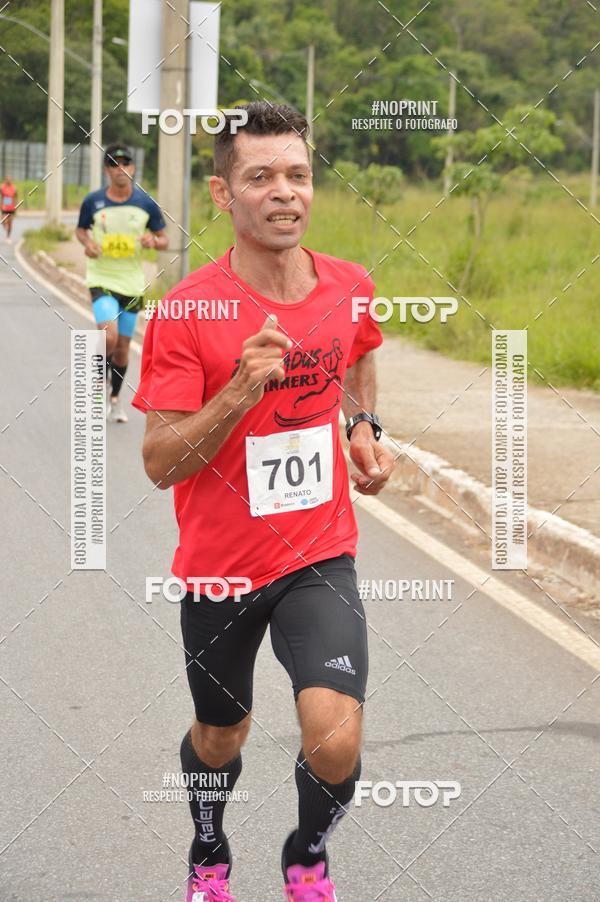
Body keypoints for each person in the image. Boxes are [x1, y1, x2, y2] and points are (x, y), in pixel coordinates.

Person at [133, 101, 395, 901]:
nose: (285, 193)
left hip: (319, 553)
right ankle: (209, 849)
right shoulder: (188, 310)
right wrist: (240, 390)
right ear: (223, 194)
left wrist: (361, 425)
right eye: (261, 177)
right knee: (222, 735)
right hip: (219, 571)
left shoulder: (348, 285)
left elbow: (356, 359)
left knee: (337, 738)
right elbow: (158, 462)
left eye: (298, 175)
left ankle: (307, 853)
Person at [75, 143, 168, 423]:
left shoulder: (145, 204)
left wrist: (153, 241)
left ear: (133, 168)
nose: (121, 169)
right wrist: (88, 243)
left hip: (132, 283)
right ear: (107, 170)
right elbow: (80, 231)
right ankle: (99, 384)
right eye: (114, 165)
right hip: (101, 278)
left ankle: (115, 400)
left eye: (126, 164)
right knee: (109, 334)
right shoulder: (93, 202)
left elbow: (164, 239)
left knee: (124, 348)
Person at [1, 175, 17, 242]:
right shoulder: (2, 187)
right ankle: (5, 225)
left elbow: (16, 197)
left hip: (11, 208)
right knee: (4, 220)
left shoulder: (14, 188)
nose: (9, 180)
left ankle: (8, 237)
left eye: (10, 179)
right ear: (6, 180)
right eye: (8, 179)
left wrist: (16, 206)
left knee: (10, 223)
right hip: (4, 207)